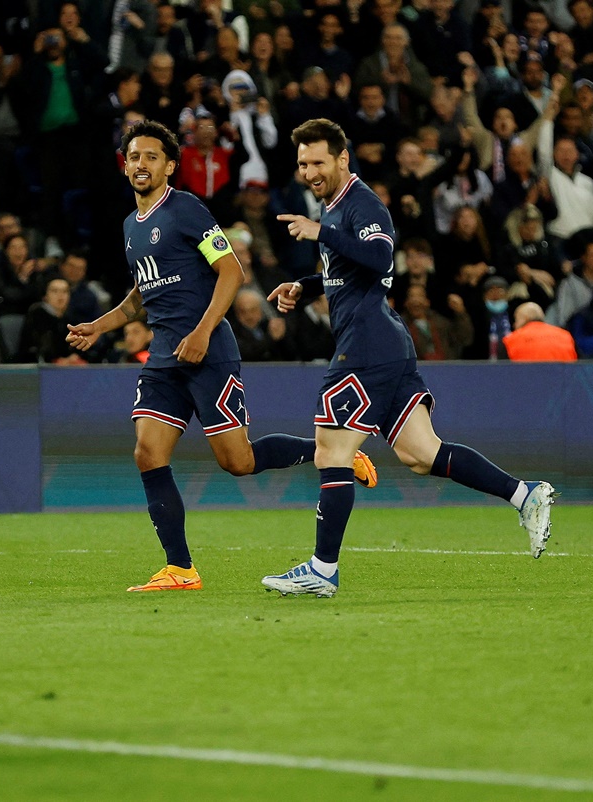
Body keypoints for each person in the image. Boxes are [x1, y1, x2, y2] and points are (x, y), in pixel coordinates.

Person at [65, 120, 376, 593]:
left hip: (208, 352)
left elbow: (231, 272)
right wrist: (98, 326)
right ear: (124, 165)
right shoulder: (131, 226)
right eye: (134, 157)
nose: (141, 164)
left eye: (151, 157)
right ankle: (180, 568)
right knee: (148, 454)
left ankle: (331, 455)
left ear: (170, 166)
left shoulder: (186, 209)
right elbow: (140, 296)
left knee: (238, 462)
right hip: (165, 359)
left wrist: (203, 331)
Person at [263, 118, 556, 598]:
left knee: (331, 451)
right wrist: (306, 285)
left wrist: (320, 233)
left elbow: (380, 260)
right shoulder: (334, 207)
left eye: (317, 161)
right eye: (302, 164)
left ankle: (322, 569)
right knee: (422, 454)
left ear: (342, 159)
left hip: (366, 348)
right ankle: (524, 497)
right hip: (385, 347)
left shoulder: (362, 203)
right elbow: (349, 271)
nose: (309, 171)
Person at [502, 302, 577, 361]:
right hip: (564, 379)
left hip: (526, 380)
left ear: (525, 318)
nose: (514, 325)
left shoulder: (510, 340)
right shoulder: (566, 336)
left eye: (516, 320)